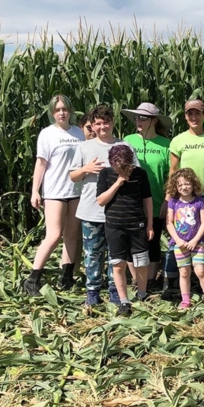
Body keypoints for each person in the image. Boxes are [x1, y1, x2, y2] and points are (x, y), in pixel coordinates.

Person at [69, 105, 137, 306]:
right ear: (92, 126)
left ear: (112, 123)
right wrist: (86, 169)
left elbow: (135, 173)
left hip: (117, 212)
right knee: (92, 254)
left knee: (116, 256)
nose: (102, 127)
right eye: (97, 123)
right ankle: (92, 290)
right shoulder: (84, 147)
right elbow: (72, 176)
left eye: (105, 122)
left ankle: (115, 290)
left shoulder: (125, 146)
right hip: (91, 210)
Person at [23, 95, 85, 296]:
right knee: (54, 235)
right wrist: (35, 191)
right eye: (57, 110)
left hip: (76, 191)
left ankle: (66, 277)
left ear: (70, 111)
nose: (61, 113)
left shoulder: (78, 133)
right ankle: (33, 278)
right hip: (55, 191)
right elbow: (41, 164)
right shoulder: (47, 134)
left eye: (65, 109)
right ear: (52, 113)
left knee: (72, 235)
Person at [96, 145, 153, 316]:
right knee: (118, 264)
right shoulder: (105, 174)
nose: (123, 170)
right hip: (114, 225)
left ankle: (142, 296)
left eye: (126, 167)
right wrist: (118, 182)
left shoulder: (140, 173)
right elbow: (100, 201)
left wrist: (149, 224)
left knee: (142, 262)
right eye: (118, 167)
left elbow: (147, 199)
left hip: (137, 224)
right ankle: (124, 301)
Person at [122, 103, 171, 289]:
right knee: (131, 242)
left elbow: (170, 175)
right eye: (136, 117)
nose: (138, 121)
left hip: (157, 199)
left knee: (153, 240)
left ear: (154, 120)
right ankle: (136, 279)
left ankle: (150, 280)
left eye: (143, 117)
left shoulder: (165, 144)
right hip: (132, 202)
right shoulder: (128, 140)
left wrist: (167, 199)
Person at [169, 100, 204, 267]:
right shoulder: (178, 140)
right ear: (185, 117)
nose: (194, 117)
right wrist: (169, 197)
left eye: (197, 113)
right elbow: (173, 170)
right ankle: (182, 279)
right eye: (189, 113)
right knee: (182, 236)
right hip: (183, 198)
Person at [165, 168, 204, 309]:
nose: (184, 187)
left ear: (193, 184)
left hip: (197, 243)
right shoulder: (173, 203)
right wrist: (178, 240)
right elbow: (169, 223)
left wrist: (195, 240)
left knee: (200, 270)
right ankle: (185, 299)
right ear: (175, 187)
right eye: (180, 185)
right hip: (179, 244)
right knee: (184, 271)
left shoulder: (199, 202)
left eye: (187, 184)